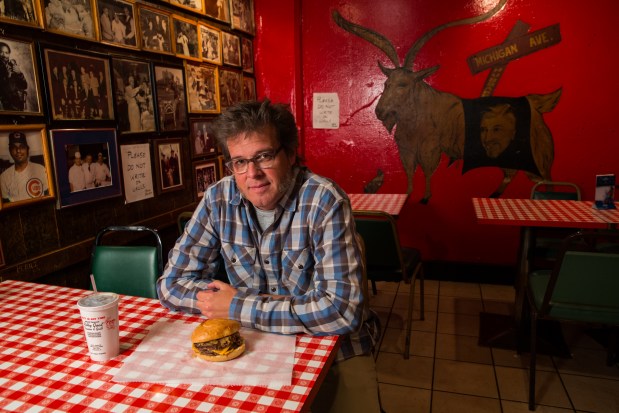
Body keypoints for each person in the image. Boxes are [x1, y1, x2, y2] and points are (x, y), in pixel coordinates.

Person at [157, 99, 382, 412]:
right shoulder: (218, 198)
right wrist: (224, 305)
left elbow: (341, 312)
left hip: (335, 353)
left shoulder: (322, 200)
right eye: (239, 162)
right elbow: (171, 284)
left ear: (290, 154)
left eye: (263, 156)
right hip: (254, 347)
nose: (253, 173)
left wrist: (237, 307)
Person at [0, 131, 49, 203]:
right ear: (10, 151)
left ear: (27, 150)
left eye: (22, 147)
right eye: (14, 148)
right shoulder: (4, 177)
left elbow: (47, 196)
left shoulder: (41, 169)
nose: (18, 151)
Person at [0, 41, 28, 112]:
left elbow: (24, 86)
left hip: (18, 104)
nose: (4, 55)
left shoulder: (12, 65)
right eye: (1, 52)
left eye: (6, 53)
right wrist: (7, 77)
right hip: (5, 105)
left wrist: (19, 73)